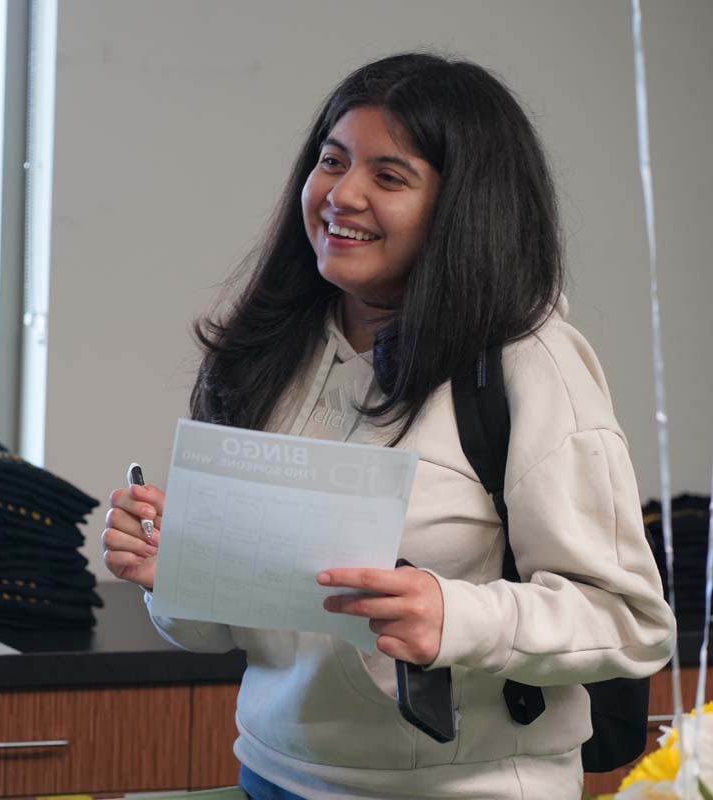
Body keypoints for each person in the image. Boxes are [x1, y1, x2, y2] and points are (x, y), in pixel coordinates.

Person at [102, 53, 675, 799]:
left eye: (390, 176)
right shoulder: (272, 352)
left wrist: (455, 616)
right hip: (272, 776)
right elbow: (229, 634)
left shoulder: (530, 364)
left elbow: (632, 622)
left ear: (463, 207)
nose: (342, 194)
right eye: (332, 161)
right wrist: (173, 571)